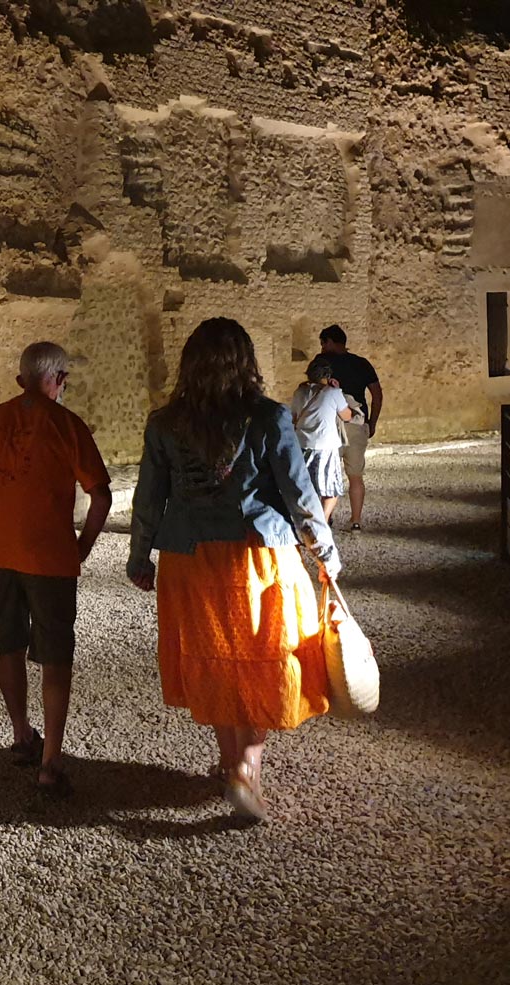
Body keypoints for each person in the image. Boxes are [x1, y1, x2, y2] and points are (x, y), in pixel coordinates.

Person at [126, 317, 342, 823]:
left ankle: (231, 764)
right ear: (246, 361)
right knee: (263, 658)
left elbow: (148, 498)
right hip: (256, 556)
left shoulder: (165, 423)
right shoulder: (267, 417)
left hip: (190, 560)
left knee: (216, 662)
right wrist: (324, 553)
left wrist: (139, 557)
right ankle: (246, 767)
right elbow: (299, 493)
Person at [0, 341, 112, 794]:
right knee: (55, 658)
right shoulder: (67, 425)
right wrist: (82, 546)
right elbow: (100, 495)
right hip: (51, 559)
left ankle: (21, 734)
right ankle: (50, 761)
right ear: (59, 379)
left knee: (9, 647)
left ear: (21, 381)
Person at [308, 324, 382, 530]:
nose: (322, 347)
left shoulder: (322, 362)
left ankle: (326, 517)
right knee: (356, 476)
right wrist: (372, 422)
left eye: (323, 343)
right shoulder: (361, 363)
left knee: (326, 474)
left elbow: (313, 392)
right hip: (356, 423)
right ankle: (355, 520)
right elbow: (377, 394)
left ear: (331, 341)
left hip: (329, 425)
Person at [287, 360, 356, 522]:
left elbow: (294, 417)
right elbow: (347, 416)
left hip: (302, 445)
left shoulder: (300, 392)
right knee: (330, 488)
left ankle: (308, 520)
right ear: (328, 375)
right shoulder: (333, 393)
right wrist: (337, 390)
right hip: (326, 446)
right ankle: (322, 522)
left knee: (306, 486)